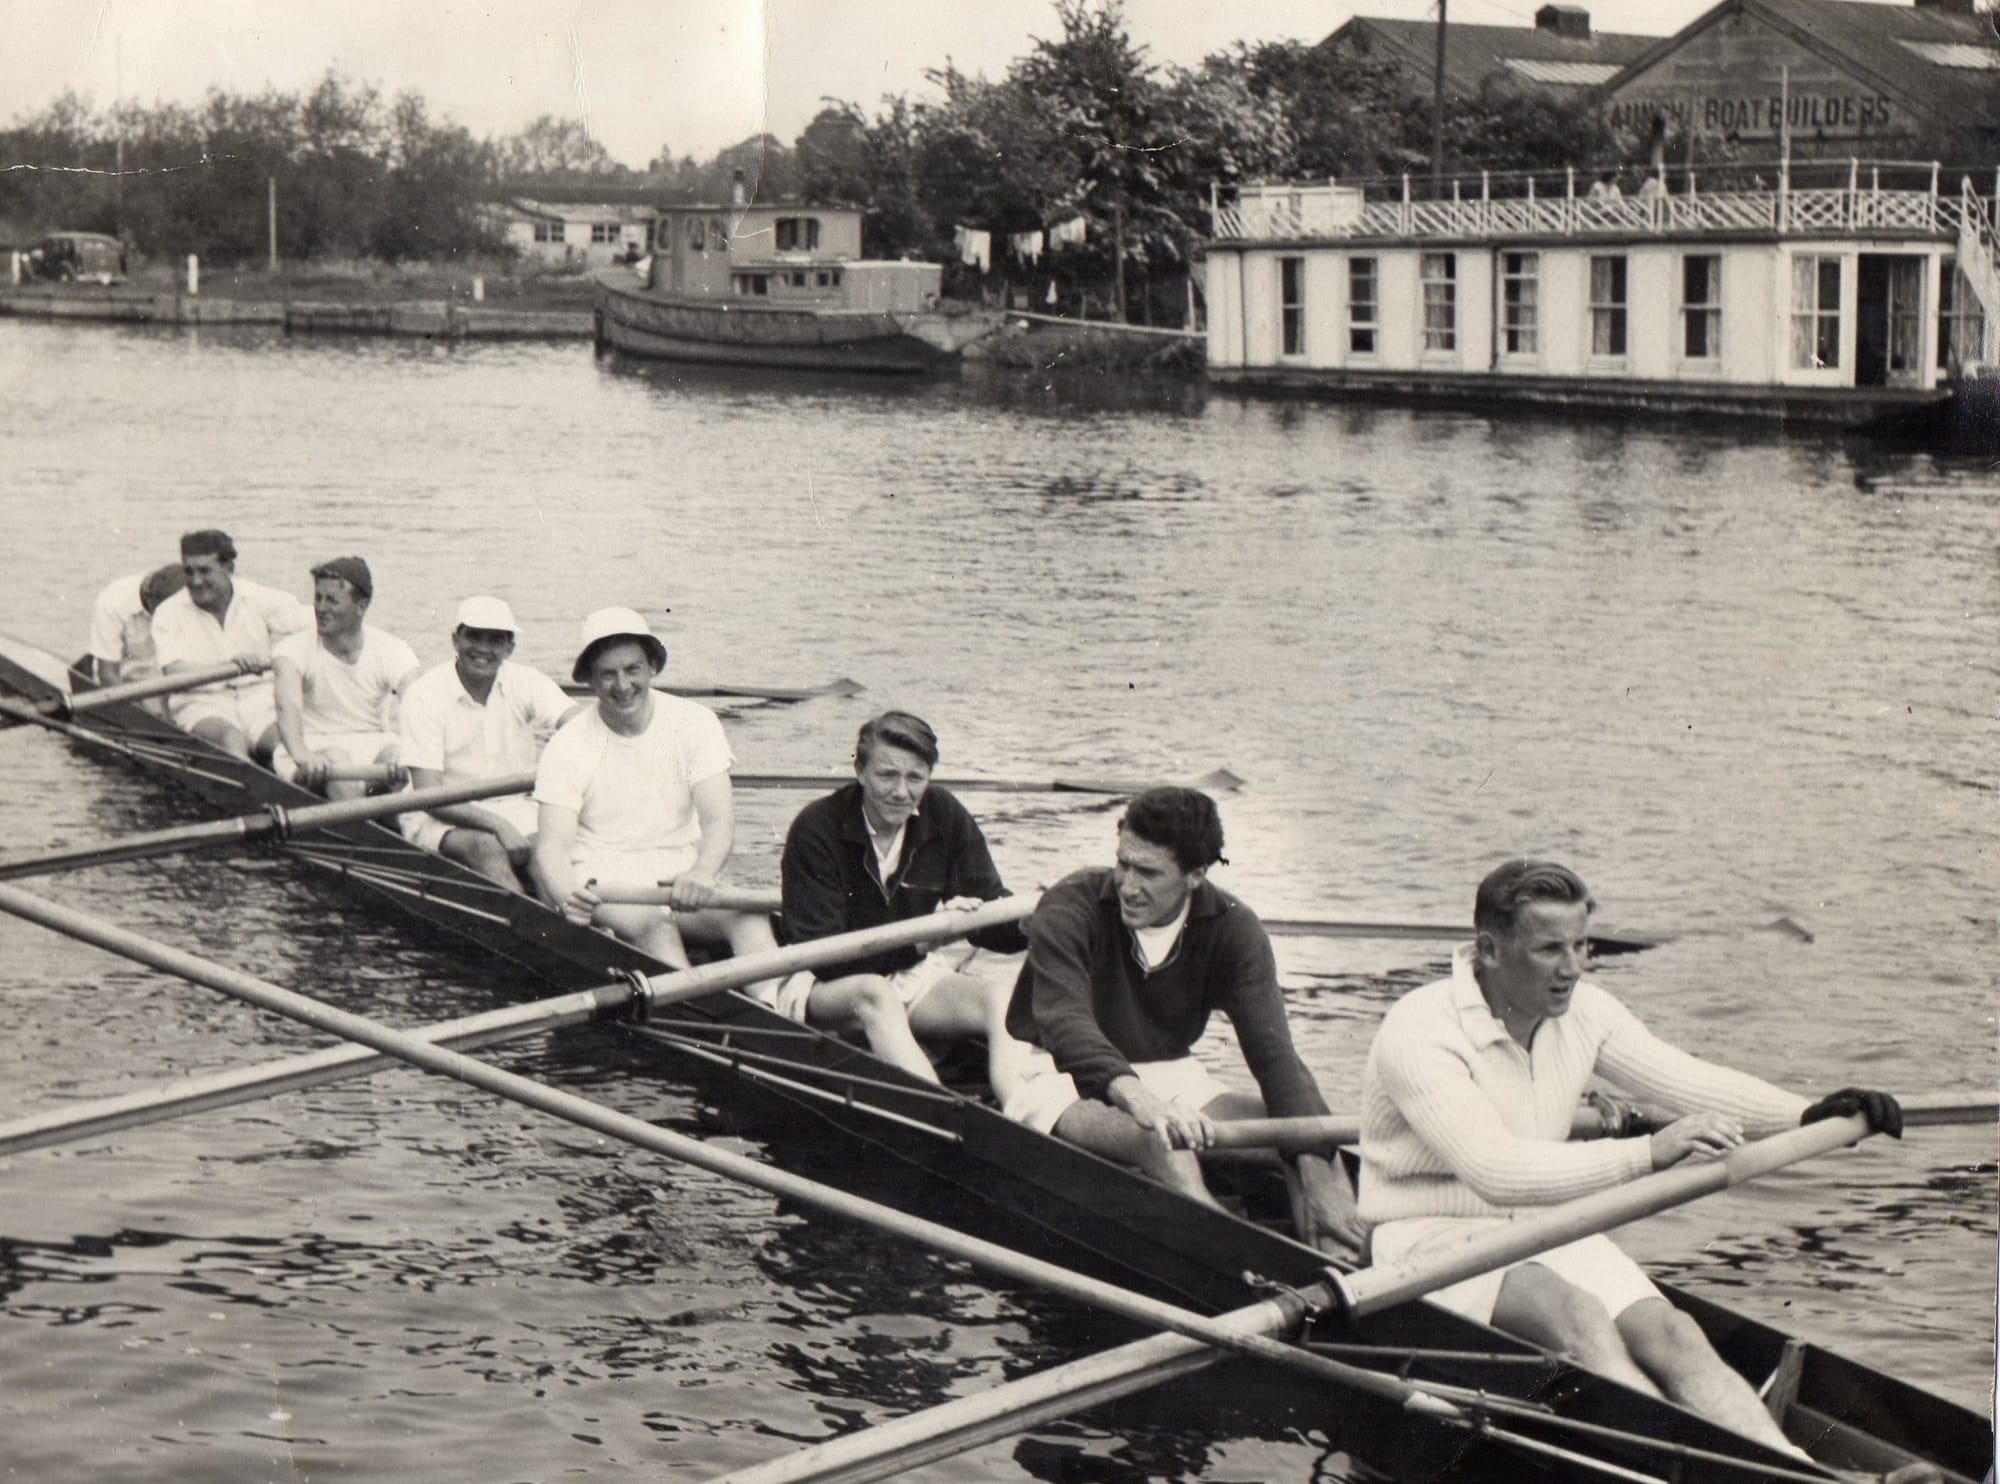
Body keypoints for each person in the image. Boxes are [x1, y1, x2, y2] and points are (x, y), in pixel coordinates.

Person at [1358, 858, 1906, 1462]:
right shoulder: (1420, 1030)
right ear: (1488, 949)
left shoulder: (1584, 1011)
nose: (1574, 968)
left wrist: (1809, 1115)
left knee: (1675, 1335)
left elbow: (1685, 1080)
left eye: (1581, 945)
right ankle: (1687, 1469)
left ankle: (1794, 1470)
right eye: (1549, 950)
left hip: (1543, 1222)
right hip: (1427, 1239)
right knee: (1581, 1317)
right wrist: (1650, 1153)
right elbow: (1496, 1171)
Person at [1001, 786, 1364, 1252]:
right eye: (1122, 863)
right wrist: (1140, 1101)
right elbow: (1067, 1024)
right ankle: (1245, 1260)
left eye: (1148, 872)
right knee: (1163, 1143)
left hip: (1173, 1077)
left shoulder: (1235, 928)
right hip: (1056, 1076)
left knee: (1307, 1137)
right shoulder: (1070, 904)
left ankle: (1339, 1259)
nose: (1127, 886)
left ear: (1195, 876)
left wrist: (1314, 1165)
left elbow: (1274, 1056)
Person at [778, 710, 1032, 1091]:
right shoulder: (817, 827)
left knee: (1001, 999)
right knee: (875, 993)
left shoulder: (943, 813)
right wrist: (920, 941)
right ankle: (940, 1115)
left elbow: (987, 908)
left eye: (916, 778)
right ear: (860, 771)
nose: (901, 791)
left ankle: (1020, 1115)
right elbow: (823, 956)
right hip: (825, 986)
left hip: (908, 972)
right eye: (887, 775)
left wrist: (1031, 924)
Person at [533, 606, 778, 968]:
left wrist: (702, 871)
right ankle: (691, 1015)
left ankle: (779, 1009)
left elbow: (719, 822)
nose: (622, 686)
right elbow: (552, 846)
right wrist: (568, 897)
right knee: (655, 925)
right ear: (589, 679)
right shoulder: (567, 745)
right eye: (607, 674)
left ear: (652, 667)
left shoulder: (696, 722)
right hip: (606, 883)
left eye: (632, 670)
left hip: (679, 876)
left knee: (749, 916)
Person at [397, 595, 583, 889]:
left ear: (510, 647)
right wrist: (498, 826)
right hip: (438, 814)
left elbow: (579, 724)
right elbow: (428, 795)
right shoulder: (423, 695)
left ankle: (568, 922)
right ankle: (528, 926)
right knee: (487, 848)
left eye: (495, 640)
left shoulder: (526, 681)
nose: (483, 649)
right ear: (456, 640)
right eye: (474, 636)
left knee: (547, 852)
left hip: (516, 806)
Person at [151, 528, 312, 763]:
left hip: (260, 698)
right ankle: (250, 786)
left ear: (229, 569)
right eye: (189, 572)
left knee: (282, 742)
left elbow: (316, 627)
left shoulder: (259, 597)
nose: (195, 581)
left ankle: (295, 781)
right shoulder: (167, 613)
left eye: (205, 571)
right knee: (231, 740)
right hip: (202, 702)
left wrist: (276, 658)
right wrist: (229, 665)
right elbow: (174, 672)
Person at [271, 557, 421, 801]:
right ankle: (367, 829)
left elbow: (419, 704)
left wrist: (414, 754)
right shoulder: (290, 650)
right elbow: (286, 707)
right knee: (338, 762)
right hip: (314, 748)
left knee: (396, 755)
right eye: (318, 598)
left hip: (372, 743)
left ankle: (385, 823)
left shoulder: (392, 648)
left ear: (361, 606)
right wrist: (303, 755)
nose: (320, 608)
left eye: (332, 600)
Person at [86, 563, 187, 687]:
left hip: (167, 683)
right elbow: (108, 675)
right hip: (124, 686)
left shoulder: (190, 600)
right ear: (149, 598)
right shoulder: (112, 601)